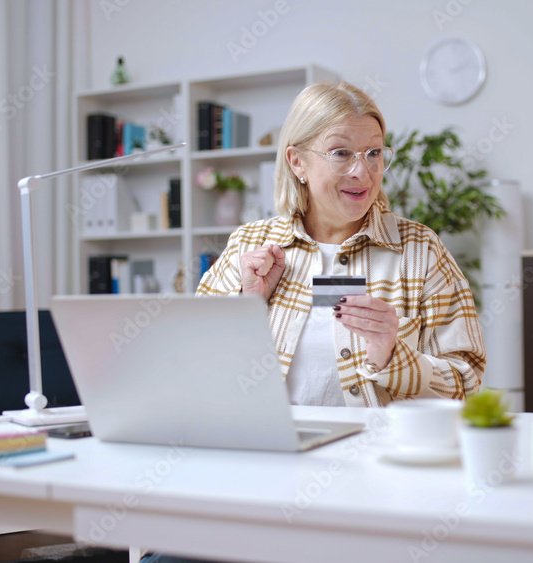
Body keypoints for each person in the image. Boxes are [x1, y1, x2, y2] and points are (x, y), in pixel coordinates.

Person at [196, 81, 485, 406]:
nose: (362, 172)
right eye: (341, 153)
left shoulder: (420, 251)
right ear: (297, 162)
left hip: (376, 454)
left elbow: (466, 382)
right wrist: (247, 307)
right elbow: (193, 368)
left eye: (374, 153)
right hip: (270, 452)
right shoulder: (247, 245)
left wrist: (392, 356)